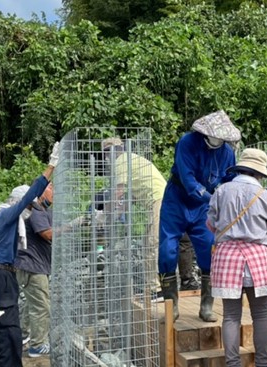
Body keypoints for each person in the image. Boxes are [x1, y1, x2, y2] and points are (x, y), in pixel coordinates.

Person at [0, 143, 59, 367]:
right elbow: (30, 199)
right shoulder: (7, 216)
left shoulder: (4, 219)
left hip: (1, 275)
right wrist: (50, 168)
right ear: (17, 202)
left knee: (1, 326)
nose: (29, 211)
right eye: (26, 208)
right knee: (10, 329)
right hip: (2, 275)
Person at [208, 149, 267, 367]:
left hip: (226, 256)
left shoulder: (221, 191)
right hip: (256, 257)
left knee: (231, 316)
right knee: (260, 315)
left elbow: (210, 223)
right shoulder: (265, 196)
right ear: (259, 173)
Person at [158, 110, 240, 321]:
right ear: (205, 133)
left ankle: (206, 305)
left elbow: (230, 179)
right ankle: (171, 306)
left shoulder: (228, 153)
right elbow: (188, 179)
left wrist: (230, 200)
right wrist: (214, 199)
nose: (218, 141)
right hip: (177, 199)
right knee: (167, 249)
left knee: (209, 248)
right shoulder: (187, 142)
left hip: (203, 206)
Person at [100, 137, 167, 301]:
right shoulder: (130, 160)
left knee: (152, 244)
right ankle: (155, 288)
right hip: (159, 200)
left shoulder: (121, 162)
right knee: (148, 245)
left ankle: (158, 292)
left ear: (107, 154)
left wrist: (105, 216)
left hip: (159, 200)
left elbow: (119, 193)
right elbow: (126, 201)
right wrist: (113, 216)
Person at [16, 183, 54, 357]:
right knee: (41, 306)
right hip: (33, 266)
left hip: (33, 265)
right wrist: (72, 227)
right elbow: (47, 234)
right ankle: (37, 346)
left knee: (32, 303)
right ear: (41, 192)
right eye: (51, 187)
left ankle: (22, 334)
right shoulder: (37, 210)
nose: (54, 191)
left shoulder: (42, 210)